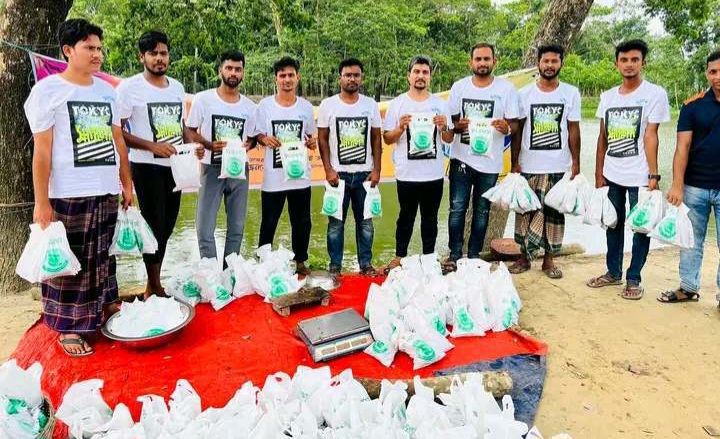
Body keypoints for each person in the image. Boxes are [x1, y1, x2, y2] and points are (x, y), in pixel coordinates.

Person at [24, 19, 133, 356]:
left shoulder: (106, 91)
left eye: (99, 48)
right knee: (72, 263)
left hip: (105, 189)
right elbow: (41, 151)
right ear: (68, 51)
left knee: (102, 256)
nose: (97, 54)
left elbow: (118, 142)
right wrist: (41, 201)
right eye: (89, 48)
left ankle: (101, 307)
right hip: (68, 192)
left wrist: (127, 185)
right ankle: (69, 326)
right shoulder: (48, 92)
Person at [586, 39, 671, 300]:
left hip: (640, 176)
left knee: (641, 227)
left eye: (634, 59)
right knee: (613, 224)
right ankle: (613, 272)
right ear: (617, 64)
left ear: (643, 62)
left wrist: (653, 175)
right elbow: (602, 137)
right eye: (624, 60)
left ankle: (634, 278)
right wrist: (598, 173)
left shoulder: (655, 94)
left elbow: (651, 136)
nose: (629, 64)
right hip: (612, 173)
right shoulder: (608, 96)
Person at [117, 31, 193, 297]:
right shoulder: (129, 88)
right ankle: (154, 285)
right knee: (153, 225)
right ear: (142, 57)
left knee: (169, 225)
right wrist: (151, 146)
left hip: (175, 168)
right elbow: (118, 131)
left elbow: (180, 125)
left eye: (163, 53)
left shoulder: (177, 87)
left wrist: (189, 148)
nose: (159, 59)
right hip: (146, 167)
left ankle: (153, 283)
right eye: (153, 54)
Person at [444, 43, 520, 271]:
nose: (482, 63)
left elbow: (515, 125)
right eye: (478, 59)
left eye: (487, 59)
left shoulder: (506, 90)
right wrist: (459, 126)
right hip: (461, 160)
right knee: (457, 209)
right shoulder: (459, 88)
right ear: (471, 62)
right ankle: (454, 255)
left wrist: (506, 127)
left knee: (482, 211)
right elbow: (451, 125)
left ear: (494, 62)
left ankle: (475, 256)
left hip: (490, 164)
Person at [509, 44, 581, 278]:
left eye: (554, 61)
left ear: (561, 63)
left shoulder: (570, 93)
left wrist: (576, 163)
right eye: (545, 61)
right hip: (529, 164)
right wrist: (515, 162)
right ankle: (524, 258)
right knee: (525, 212)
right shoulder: (524, 95)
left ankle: (549, 261)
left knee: (553, 215)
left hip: (558, 165)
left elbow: (573, 129)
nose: (549, 66)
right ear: (538, 63)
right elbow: (517, 131)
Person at [381, 56, 454, 272]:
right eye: (417, 72)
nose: (420, 76)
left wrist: (444, 127)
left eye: (425, 72)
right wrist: (400, 128)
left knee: (430, 220)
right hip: (407, 174)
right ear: (409, 76)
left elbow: (449, 139)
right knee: (405, 217)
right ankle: (399, 256)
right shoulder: (398, 104)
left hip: (433, 174)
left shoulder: (440, 105)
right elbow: (387, 138)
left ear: (430, 76)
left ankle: (430, 258)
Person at [660, 50, 720, 306]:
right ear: (707, 73)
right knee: (691, 240)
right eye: (713, 71)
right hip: (695, 185)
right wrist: (676, 185)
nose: (717, 77)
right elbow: (682, 147)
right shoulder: (692, 106)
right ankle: (688, 287)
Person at [185, 50, 256, 264]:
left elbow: (252, 139)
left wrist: (246, 147)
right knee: (204, 227)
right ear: (220, 71)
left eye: (238, 69)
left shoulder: (250, 107)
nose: (233, 73)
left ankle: (230, 274)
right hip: (211, 167)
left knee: (237, 227)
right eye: (229, 68)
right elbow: (190, 130)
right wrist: (207, 144)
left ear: (243, 73)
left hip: (238, 169)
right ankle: (210, 274)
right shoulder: (203, 99)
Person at [317, 57, 382, 276]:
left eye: (356, 75)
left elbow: (375, 138)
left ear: (361, 78)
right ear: (340, 78)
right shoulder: (328, 105)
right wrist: (328, 169)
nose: (352, 79)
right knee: (336, 224)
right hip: (338, 176)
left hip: (364, 175)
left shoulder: (370, 105)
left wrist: (377, 170)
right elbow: (322, 139)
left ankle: (366, 264)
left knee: (365, 223)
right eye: (348, 75)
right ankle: (335, 266)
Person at [255, 57, 316, 275]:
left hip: (300, 177)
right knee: (268, 222)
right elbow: (257, 134)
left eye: (291, 75)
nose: (287, 79)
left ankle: (300, 262)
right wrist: (264, 138)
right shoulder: (264, 106)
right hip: (273, 178)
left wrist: (312, 142)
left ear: (297, 78)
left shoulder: (307, 108)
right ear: (276, 79)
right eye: (282, 76)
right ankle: (263, 264)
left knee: (302, 222)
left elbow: (311, 137)